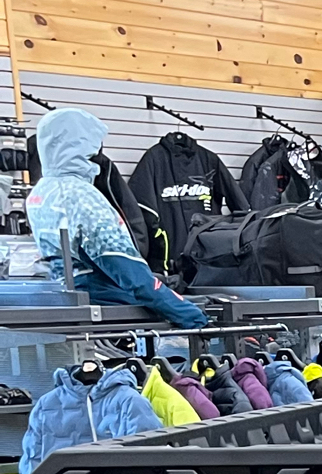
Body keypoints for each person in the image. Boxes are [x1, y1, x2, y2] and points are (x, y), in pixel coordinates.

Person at [26, 109, 208, 328]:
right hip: (108, 304)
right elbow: (128, 271)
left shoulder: (39, 193)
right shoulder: (82, 196)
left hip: (66, 299)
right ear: (82, 145)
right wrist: (192, 316)